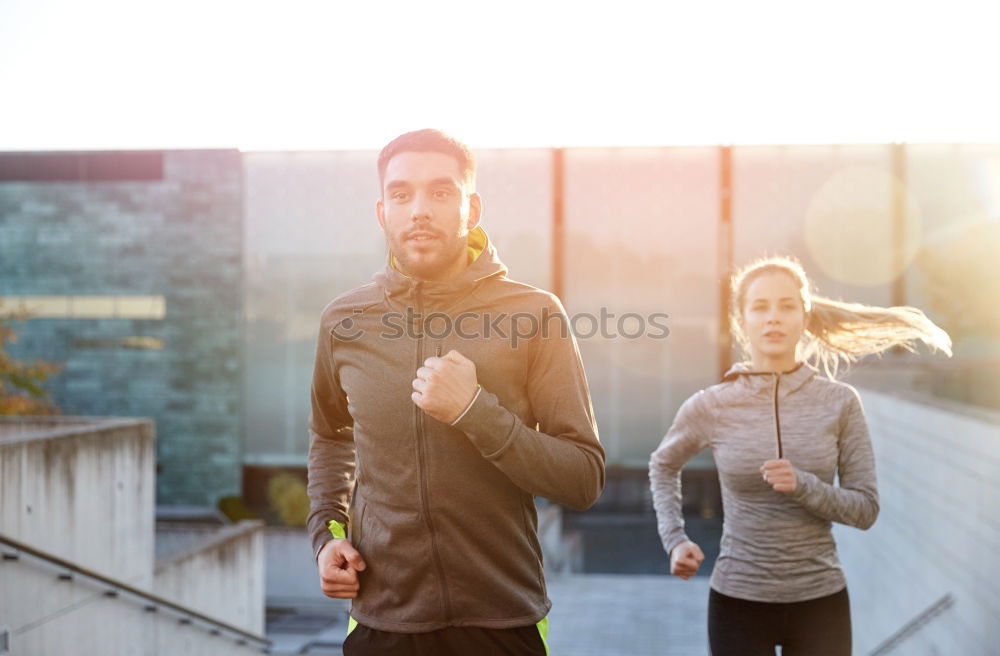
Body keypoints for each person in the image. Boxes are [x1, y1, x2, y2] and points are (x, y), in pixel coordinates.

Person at [307, 128, 605, 655]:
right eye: (402, 194)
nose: (419, 209)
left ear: (472, 208)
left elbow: (583, 478)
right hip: (381, 623)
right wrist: (328, 536)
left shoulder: (533, 315)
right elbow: (331, 436)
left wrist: (475, 411)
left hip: (502, 624)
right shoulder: (343, 321)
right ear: (383, 213)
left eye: (441, 192)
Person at [649, 255, 952, 656]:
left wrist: (805, 486)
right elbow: (663, 463)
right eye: (760, 307)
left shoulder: (840, 402)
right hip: (738, 599)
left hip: (820, 602)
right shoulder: (712, 405)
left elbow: (866, 509)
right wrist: (675, 539)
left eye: (787, 305)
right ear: (741, 320)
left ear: (804, 316)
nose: (773, 317)